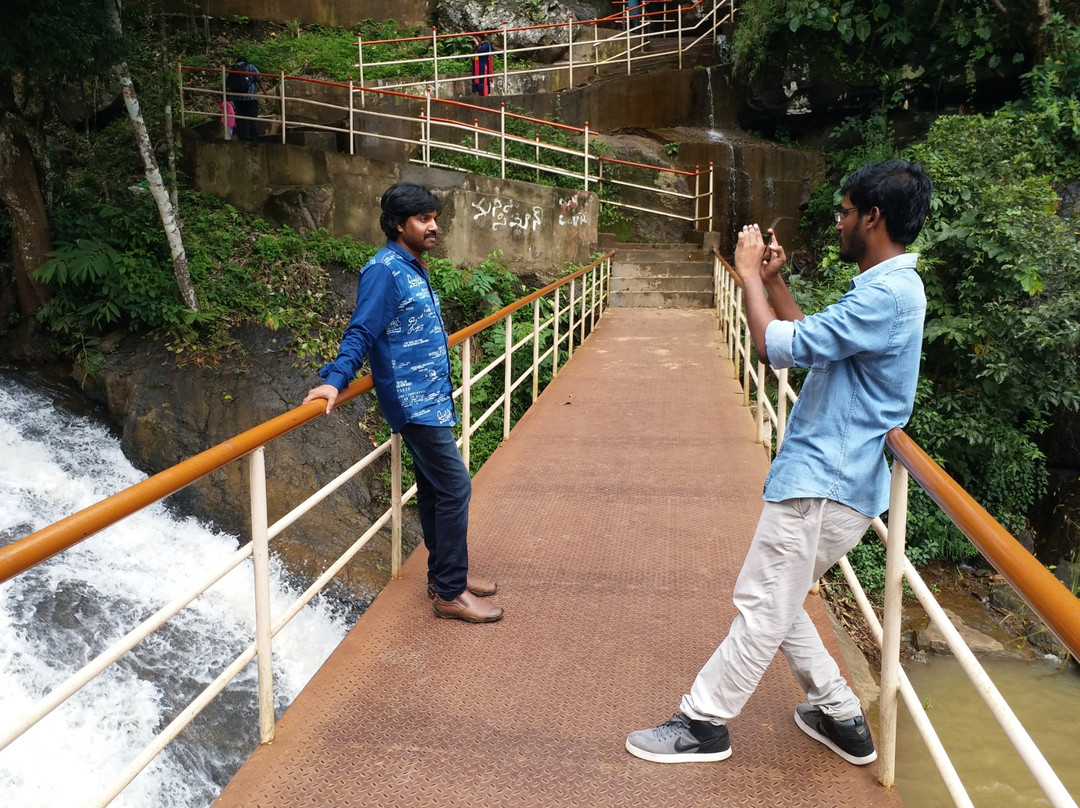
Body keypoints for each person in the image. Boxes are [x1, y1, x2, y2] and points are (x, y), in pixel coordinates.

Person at [625, 159, 933, 766]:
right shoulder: (883, 291)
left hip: (825, 482)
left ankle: (703, 722)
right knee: (777, 598)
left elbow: (774, 348)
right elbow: (815, 341)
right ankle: (843, 716)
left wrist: (745, 277)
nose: (838, 223)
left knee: (764, 602)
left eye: (845, 213)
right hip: (830, 479)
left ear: (873, 218)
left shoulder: (889, 294)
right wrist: (773, 285)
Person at [302, 182, 504, 624]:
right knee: (456, 488)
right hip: (413, 403)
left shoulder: (411, 265)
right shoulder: (384, 271)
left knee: (435, 490)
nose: (434, 227)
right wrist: (337, 380)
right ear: (398, 225)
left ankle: (445, 576)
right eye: (423, 220)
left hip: (431, 398)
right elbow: (362, 329)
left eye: (434, 218)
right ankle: (450, 593)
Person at [228, 57, 265, 142]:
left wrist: (226, 96)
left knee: (241, 119)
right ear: (245, 61)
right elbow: (260, 80)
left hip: (237, 99)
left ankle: (242, 139)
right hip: (251, 98)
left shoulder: (233, 68)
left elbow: (227, 82)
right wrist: (266, 95)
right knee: (253, 119)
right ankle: (255, 139)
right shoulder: (251, 67)